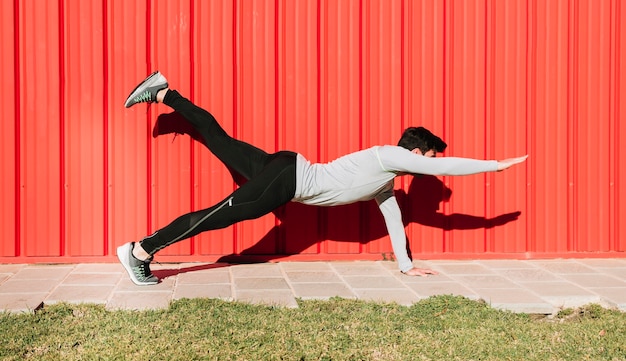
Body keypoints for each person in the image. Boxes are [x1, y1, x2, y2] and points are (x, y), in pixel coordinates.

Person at [118, 71, 528, 285]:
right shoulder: (389, 155)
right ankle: (139, 251)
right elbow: (444, 166)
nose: (431, 168)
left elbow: (393, 220)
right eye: (430, 160)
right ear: (416, 154)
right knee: (218, 215)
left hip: (285, 167)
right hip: (287, 180)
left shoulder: (385, 177)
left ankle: (162, 92)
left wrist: (406, 266)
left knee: (217, 138)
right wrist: (495, 166)